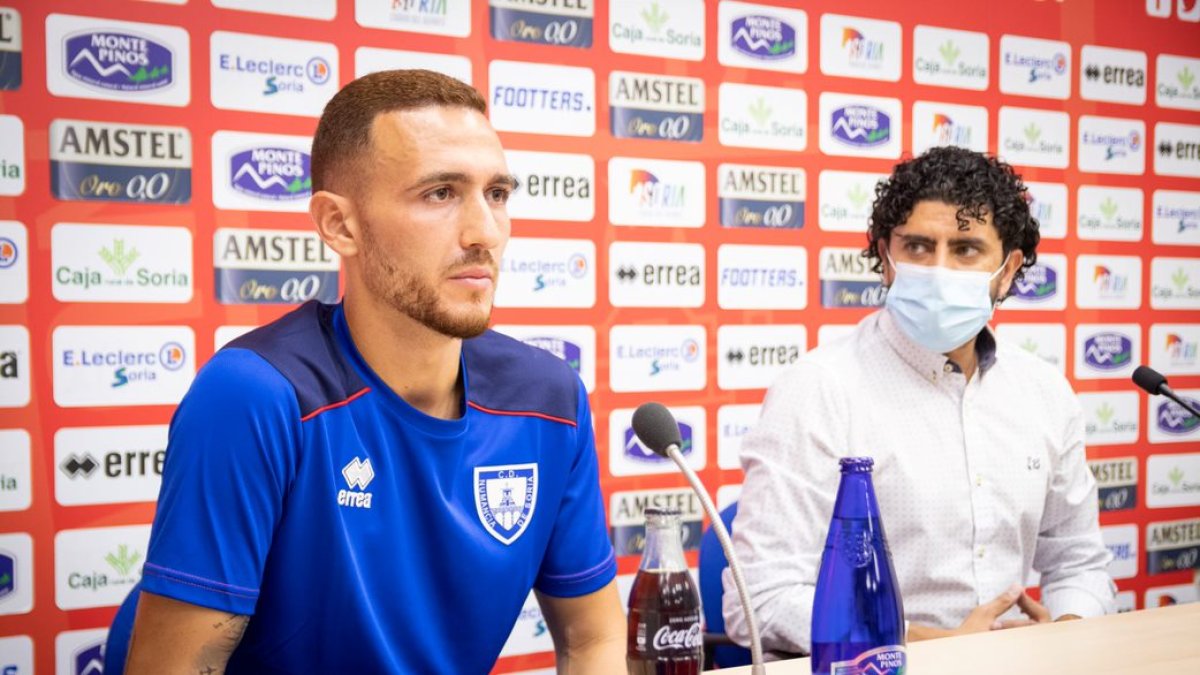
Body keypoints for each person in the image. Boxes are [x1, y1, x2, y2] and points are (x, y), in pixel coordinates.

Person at [123, 69, 626, 674]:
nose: (484, 232)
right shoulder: (257, 396)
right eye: (440, 193)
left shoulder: (549, 397)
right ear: (339, 225)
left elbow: (592, 640)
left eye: (496, 194)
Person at [722, 147, 1116, 654]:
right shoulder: (818, 389)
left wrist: (1068, 625)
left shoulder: (1043, 392)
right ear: (886, 259)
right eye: (918, 247)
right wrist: (929, 644)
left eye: (966, 249)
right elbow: (761, 597)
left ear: (1009, 268)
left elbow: (1079, 561)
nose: (939, 268)